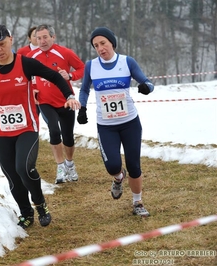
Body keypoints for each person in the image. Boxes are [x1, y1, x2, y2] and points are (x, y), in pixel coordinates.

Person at [0, 25, 81, 229]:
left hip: (26, 127)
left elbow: (53, 76)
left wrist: (69, 95)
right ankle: (26, 212)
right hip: (1, 131)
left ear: (11, 40)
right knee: (12, 176)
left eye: (2, 44)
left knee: (24, 168)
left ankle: (40, 204)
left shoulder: (25, 63)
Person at [78, 27, 154, 217]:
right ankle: (119, 178)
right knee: (112, 165)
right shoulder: (91, 66)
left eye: (103, 43)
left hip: (130, 122)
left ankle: (138, 202)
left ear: (112, 42)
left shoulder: (126, 62)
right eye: (96, 45)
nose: (100, 48)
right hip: (106, 126)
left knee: (134, 165)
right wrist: (83, 108)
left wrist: (145, 87)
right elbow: (85, 89)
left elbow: (147, 82)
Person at [27, 24, 85, 184]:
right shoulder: (31, 56)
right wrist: (32, 89)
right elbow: (25, 77)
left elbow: (82, 68)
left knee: (68, 136)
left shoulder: (64, 52)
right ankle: (60, 166)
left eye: (45, 37)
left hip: (66, 101)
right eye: (39, 38)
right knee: (54, 130)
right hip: (45, 101)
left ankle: (69, 163)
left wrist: (71, 75)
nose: (42, 41)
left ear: (53, 37)